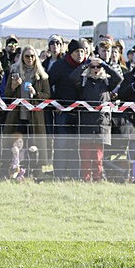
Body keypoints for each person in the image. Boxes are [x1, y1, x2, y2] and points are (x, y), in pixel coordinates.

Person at [3, 45, 50, 178]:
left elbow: (47, 95)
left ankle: (36, 172)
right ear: (22, 58)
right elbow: (7, 94)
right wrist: (13, 86)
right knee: (16, 144)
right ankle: (14, 170)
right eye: (27, 56)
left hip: (35, 116)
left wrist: (36, 93)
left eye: (32, 56)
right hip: (17, 115)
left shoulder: (42, 75)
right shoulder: (14, 72)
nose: (30, 58)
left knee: (35, 144)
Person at [48, 38, 87, 179]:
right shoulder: (59, 66)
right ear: (70, 53)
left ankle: (75, 175)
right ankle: (58, 174)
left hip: (82, 113)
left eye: (82, 51)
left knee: (77, 145)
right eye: (77, 52)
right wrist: (55, 102)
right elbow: (48, 84)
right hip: (62, 111)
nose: (80, 54)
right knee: (61, 143)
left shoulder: (88, 66)